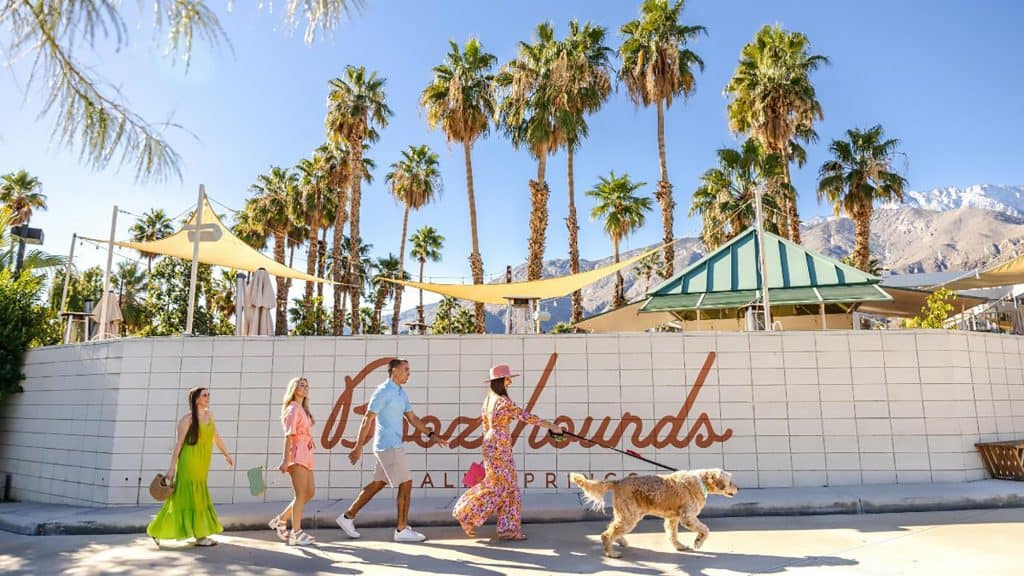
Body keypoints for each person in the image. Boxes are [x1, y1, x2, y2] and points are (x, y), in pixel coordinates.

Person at [336, 358, 448, 542]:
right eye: (406, 369)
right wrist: (358, 447)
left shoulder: (401, 393)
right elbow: (367, 419)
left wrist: (431, 435)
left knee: (377, 484)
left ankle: (347, 517)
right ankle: (401, 529)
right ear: (394, 371)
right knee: (406, 483)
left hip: (391, 446)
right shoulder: (383, 392)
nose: (409, 373)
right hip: (388, 446)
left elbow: (412, 419)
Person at [452, 364, 563, 541]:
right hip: (499, 446)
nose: (510, 382)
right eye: (508, 379)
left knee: (507, 488)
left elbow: (486, 427)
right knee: (500, 487)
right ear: (502, 381)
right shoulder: (503, 402)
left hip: (493, 445)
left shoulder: (489, 400)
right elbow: (526, 417)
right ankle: (467, 514)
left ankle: (507, 528)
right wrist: (552, 426)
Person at [148, 387, 234, 547]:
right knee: (190, 496)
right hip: (189, 461)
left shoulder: (210, 415)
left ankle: (160, 531)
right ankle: (200, 536)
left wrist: (226, 454)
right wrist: (172, 468)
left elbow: (215, 436)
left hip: (202, 462)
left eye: (209, 395)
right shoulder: (187, 420)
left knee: (187, 497)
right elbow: (179, 444)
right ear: (196, 399)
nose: (208, 397)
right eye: (204, 395)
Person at [268, 377, 317, 546]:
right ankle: (296, 532)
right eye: (301, 385)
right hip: (297, 454)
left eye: (306, 385)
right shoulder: (292, 409)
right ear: (294, 389)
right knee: (300, 494)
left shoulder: (303, 409)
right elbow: (288, 436)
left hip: (307, 453)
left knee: (309, 492)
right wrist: (285, 460)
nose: (304, 388)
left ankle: (281, 520)